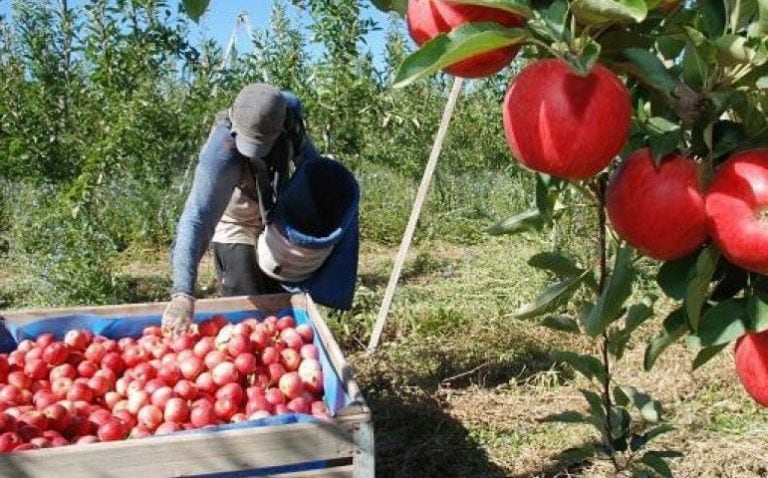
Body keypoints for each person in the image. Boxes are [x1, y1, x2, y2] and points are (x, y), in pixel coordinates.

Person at [162, 83, 360, 335]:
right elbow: (197, 216)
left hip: (274, 221)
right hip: (237, 224)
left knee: (281, 313)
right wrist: (183, 293)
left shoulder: (289, 120)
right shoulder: (221, 152)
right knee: (248, 319)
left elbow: (311, 168)